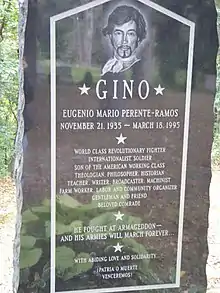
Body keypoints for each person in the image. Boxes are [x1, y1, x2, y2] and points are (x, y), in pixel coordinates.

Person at [102, 5, 147, 75]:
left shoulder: (141, 69)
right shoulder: (106, 67)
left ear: (138, 38)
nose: (124, 40)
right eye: (119, 33)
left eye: (130, 34)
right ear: (110, 36)